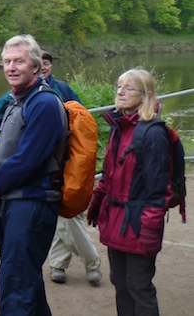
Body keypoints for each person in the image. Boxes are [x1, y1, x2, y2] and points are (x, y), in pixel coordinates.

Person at [0, 34, 67, 316]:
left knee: (16, 284)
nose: (11, 67)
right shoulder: (17, 100)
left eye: (19, 61)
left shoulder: (44, 104)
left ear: (36, 67)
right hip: (13, 201)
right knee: (24, 279)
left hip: (33, 202)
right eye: (6, 61)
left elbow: (29, 158)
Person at [87, 68, 171, 316]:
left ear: (145, 95)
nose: (121, 92)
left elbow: (159, 190)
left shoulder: (154, 134)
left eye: (128, 88)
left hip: (137, 222)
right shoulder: (118, 127)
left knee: (139, 285)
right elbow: (110, 174)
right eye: (119, 86)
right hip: (116, 219)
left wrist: (149, 228)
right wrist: (97, 200)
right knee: (120, 283)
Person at [42, 51, 102, 287]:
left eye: (46, 64)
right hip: (49, 163)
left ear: (50, 66)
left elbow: (83, 117)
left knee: (69, 214)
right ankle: (57, 263)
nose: (43, 68)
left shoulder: (63, 88)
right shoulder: (26, 91)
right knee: (61, 215)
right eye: (40, 64)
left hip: (70, 161)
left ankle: (92, 262)